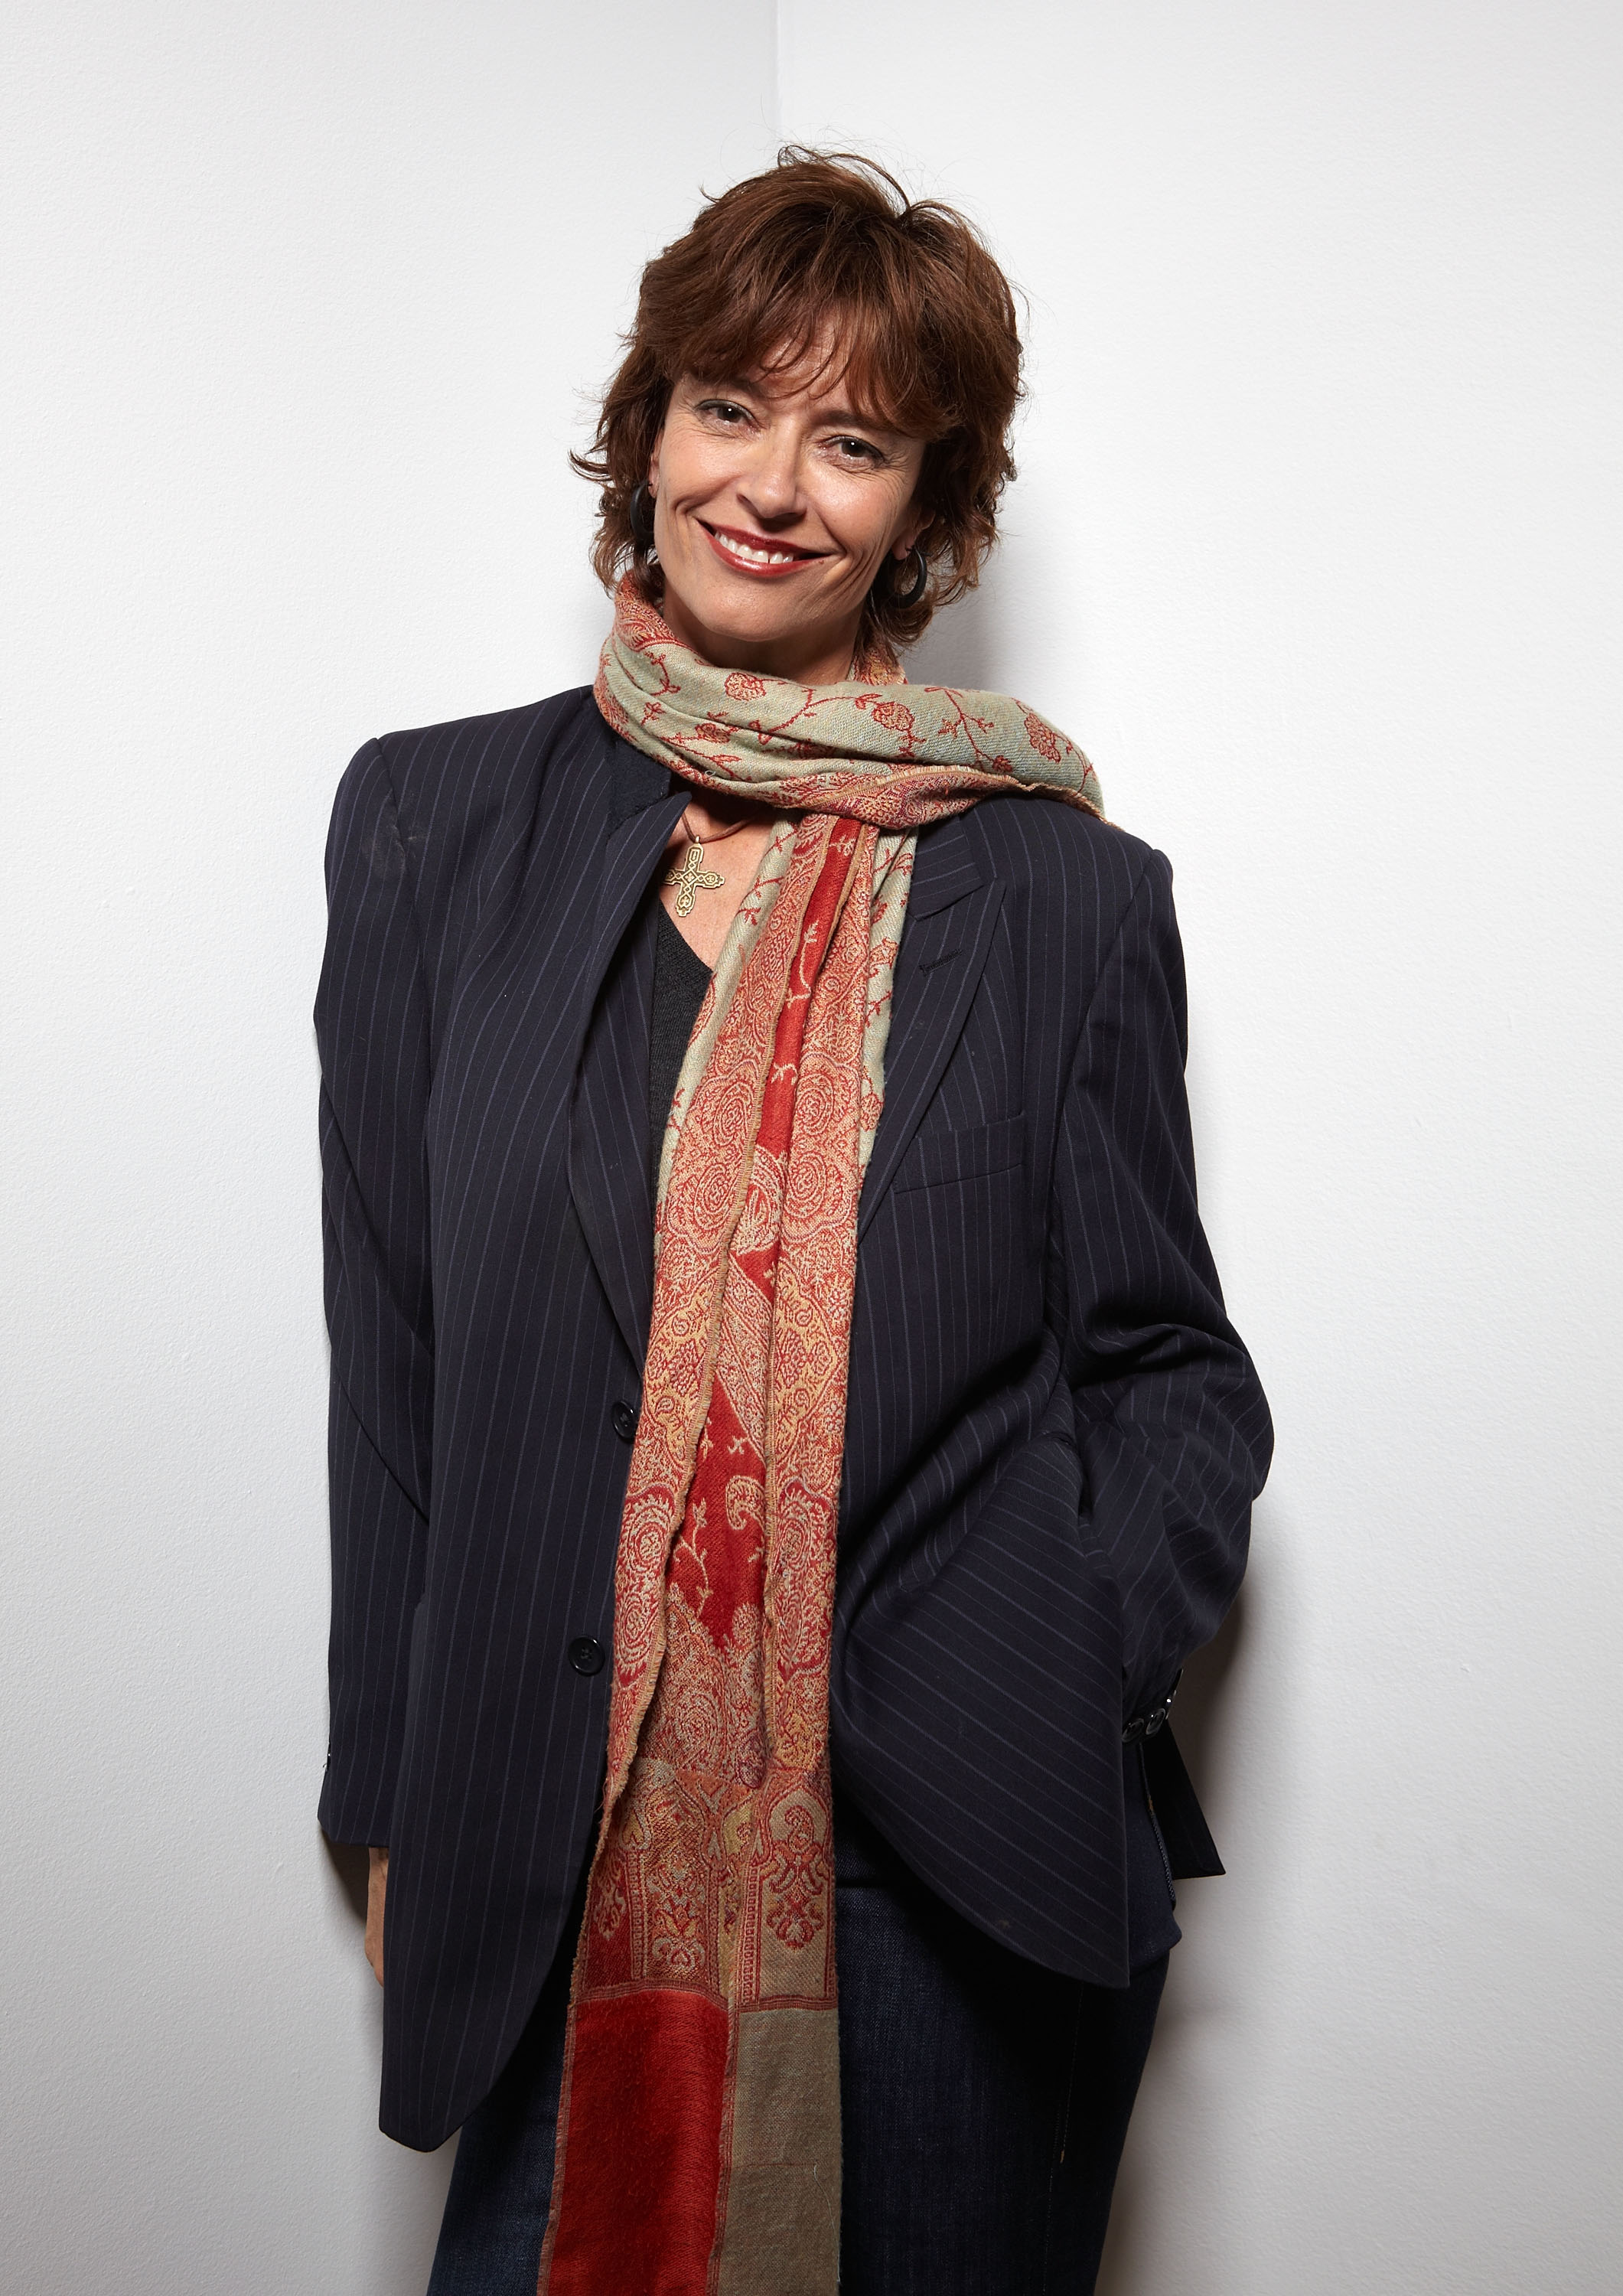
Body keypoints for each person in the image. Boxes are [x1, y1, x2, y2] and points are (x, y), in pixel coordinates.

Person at [316, 149, 1272, 2296]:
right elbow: (400, 1358)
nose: (774, 484)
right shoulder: (433, 826)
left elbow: (1159, 1361)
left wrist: (1068, 1649)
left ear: (921, 510)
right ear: (646, 429)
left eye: (854, 440)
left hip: (954, 1835)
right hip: (564, 1812)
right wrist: (396, 1776)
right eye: (730, 407)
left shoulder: (1061, 895)